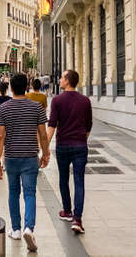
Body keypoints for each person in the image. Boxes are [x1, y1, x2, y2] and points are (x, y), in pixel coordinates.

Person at [0, 73, 50, 252]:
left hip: (11, 157)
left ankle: (16, 229)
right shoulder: (36, 107)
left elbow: (0, 137)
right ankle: (29, 228)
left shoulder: (3, 108)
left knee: (13, 192)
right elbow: (42, 134)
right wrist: (46, 153)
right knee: (30, 193)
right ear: (26, 87)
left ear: (11, 88)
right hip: (30, 156)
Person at [47, 70, 92, 234]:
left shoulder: (57, 100)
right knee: (79, 181)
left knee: (63, 178)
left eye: (61, 77)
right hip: (80, 145)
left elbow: (52, 125)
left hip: (63, 145)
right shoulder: (85, 101)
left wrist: (44, 147)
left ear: (67, 81)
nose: (59, 79)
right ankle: (77, 219)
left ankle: (67, 210)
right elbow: (88, 126)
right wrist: (81, 139)